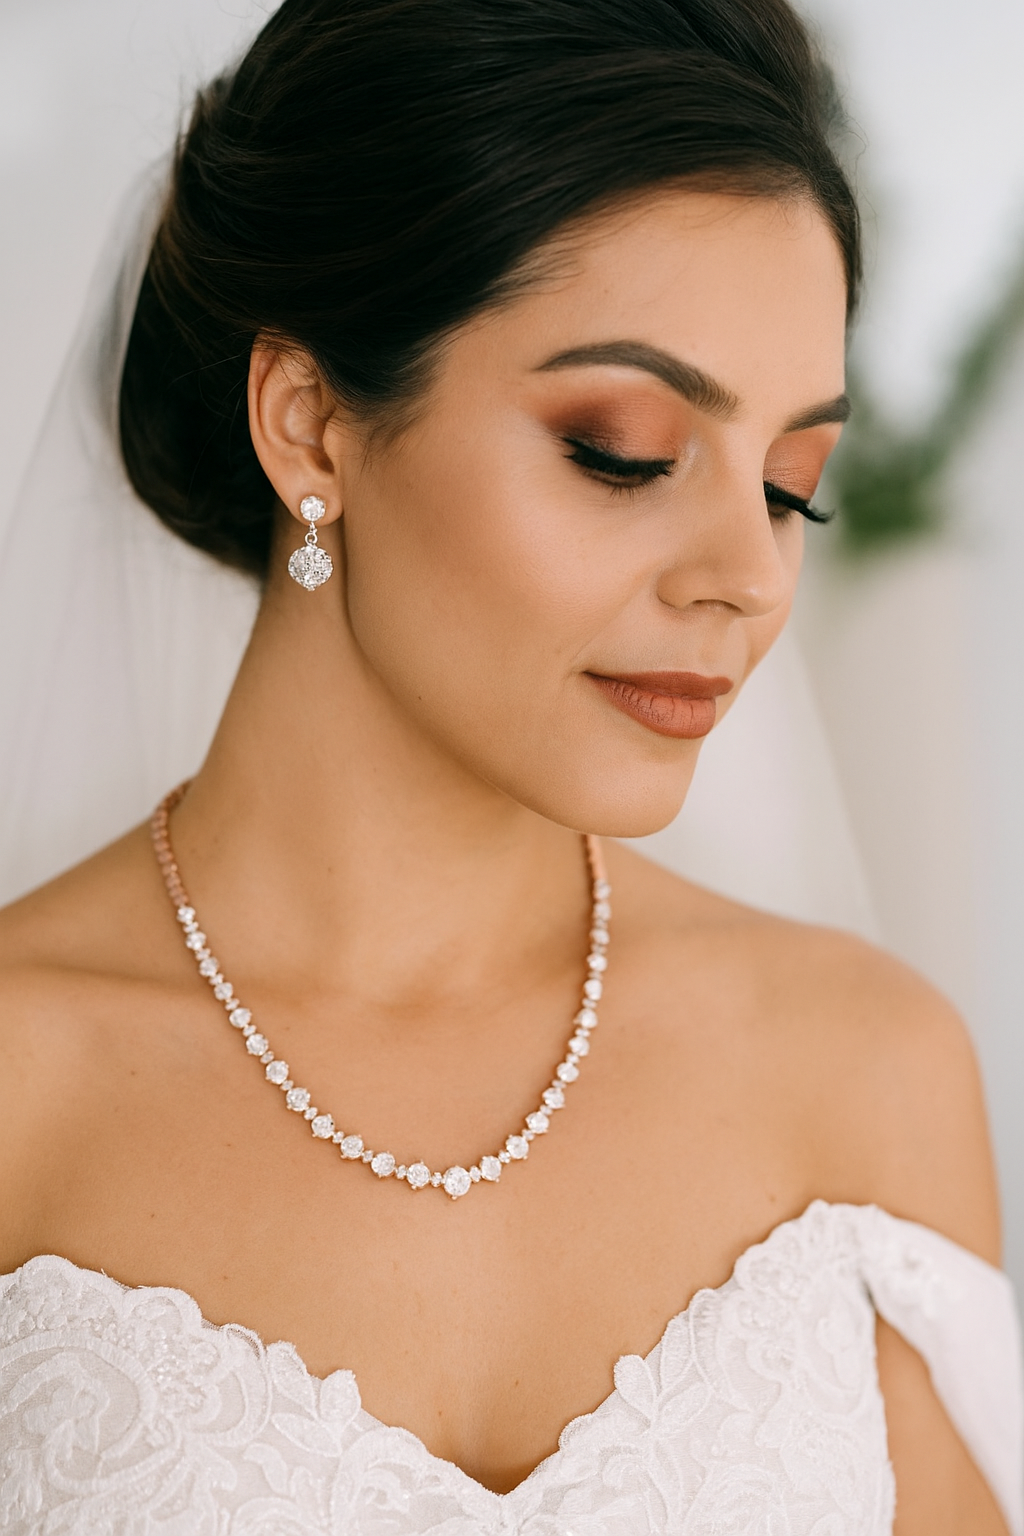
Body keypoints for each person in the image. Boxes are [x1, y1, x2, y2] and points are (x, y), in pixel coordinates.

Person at [0, 0, 1019, 1530]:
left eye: (791, 483)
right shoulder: (26, 1084)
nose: (745, 574)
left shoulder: (867, 1074)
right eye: (621, 448)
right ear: (311, 425)